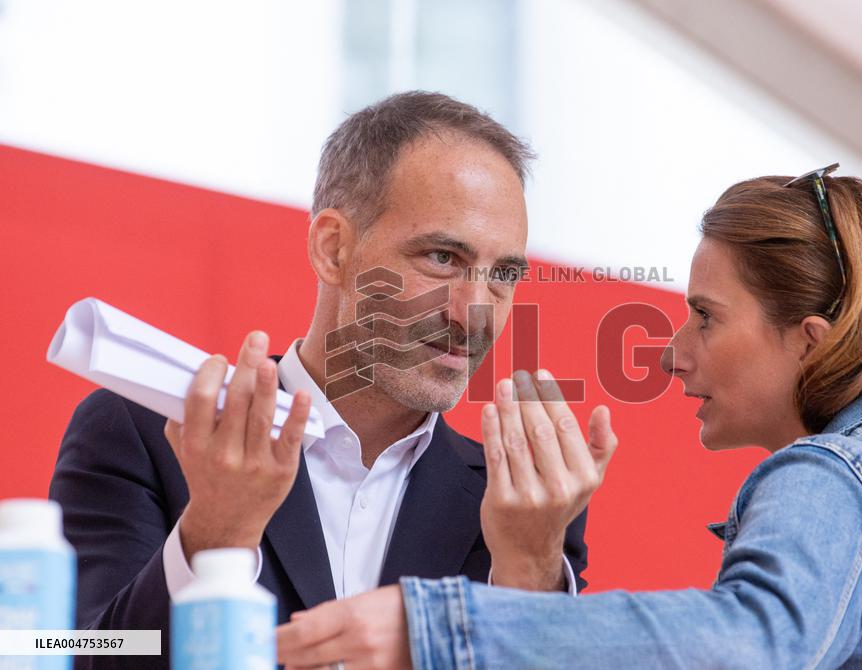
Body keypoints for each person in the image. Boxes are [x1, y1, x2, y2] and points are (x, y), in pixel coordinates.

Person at [276, 165, 862, 669]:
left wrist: (438, 630)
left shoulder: (836, 478)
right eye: (444, 258)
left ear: (812, 343)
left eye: (705, 318)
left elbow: (749, 645)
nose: (670, 355)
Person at [49, 92, 611, 670]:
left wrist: (531, 570)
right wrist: (214, 534)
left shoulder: (523, 500)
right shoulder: (146, 430)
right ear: (333, 247)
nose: (475, 312)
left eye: (503, 275)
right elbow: (67, 652)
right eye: (442, 257)